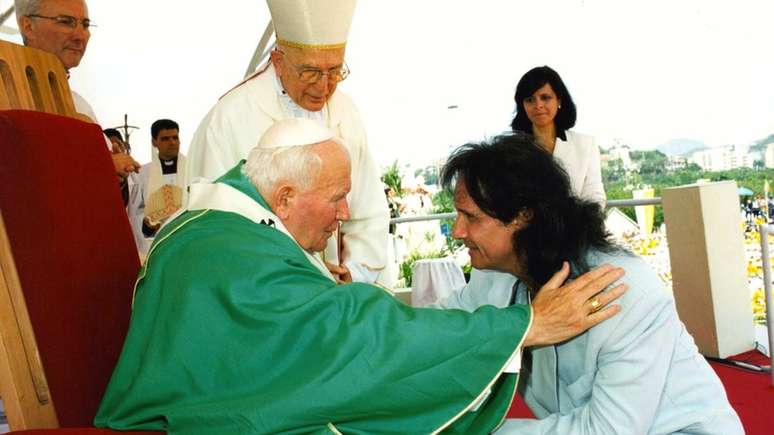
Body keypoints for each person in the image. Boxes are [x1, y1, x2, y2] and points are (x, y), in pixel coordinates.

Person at [95, 119, 626, 434]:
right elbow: (346, 330)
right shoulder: (229, 246)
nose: (345, 212)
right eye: (334, 198)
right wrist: (522, 327)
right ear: (283, 198)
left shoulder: (223, 226)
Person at [433, 133, 743, 434]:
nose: (458, 231)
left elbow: (608, 429)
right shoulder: (496, 276)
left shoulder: (624, 292)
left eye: (470, 217)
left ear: (522, 216)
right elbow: (437, 326)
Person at [187, 0, 388, 285]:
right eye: (310, 72)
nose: (323, 87)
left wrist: (354, 272)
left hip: (336, 294)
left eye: (335, 71)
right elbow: (217, 229)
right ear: (278, 61)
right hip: (265, 292)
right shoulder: (230, 118)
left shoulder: (346, 112)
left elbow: (369, 211)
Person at [16, 0, 140, 178]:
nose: (80, 36)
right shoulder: (7, 92)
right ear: (28, 26)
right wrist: (99, 166)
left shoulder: (81, 107)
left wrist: (115, 175)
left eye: (85, 24)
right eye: (66, 22)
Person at [511, 66, 605, 205]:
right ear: (522, 105)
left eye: (545, 98)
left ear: (559, 101)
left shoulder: (585, 144)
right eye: (530, 99)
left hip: (577, 224)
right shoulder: (511, 149)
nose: (538, 105)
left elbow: (594, 196)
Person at [127, 119, 188, 254]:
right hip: (156, 243)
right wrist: (147, 225)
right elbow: (134, 211)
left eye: (175, 137)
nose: (172, 142)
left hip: (188, 238)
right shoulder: (141, 174)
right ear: (154, 142)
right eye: (165, 139)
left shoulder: (193, 169)